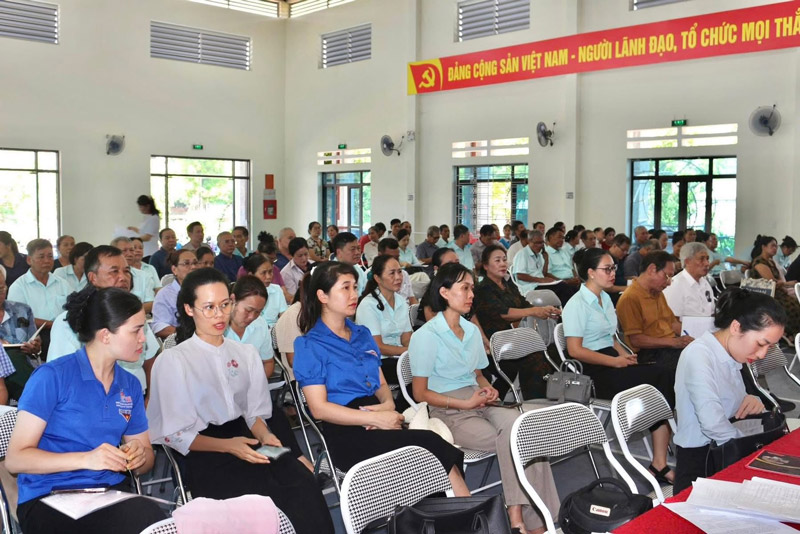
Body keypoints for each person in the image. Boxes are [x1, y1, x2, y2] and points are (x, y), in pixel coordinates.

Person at [147, 268, 334, 534]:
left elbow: (254, 414)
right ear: (189, 309)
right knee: (259, 499)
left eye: (225, 305)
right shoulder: (174, 360)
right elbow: (176, 435)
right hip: (205, 450)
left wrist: (266, 436)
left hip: (246, 438)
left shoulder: (244, 353)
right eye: (209, 307)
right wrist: (229, 446)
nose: (220, 315)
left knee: (301, 482)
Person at [292, 262, 469, 497]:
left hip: (377, 417)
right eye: (345, 288)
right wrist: (373, 417)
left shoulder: (361, 334)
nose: (354, 294)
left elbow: (383, 386)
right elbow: (319, 409)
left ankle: (452, 517)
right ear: (322, 296)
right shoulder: (309, 345)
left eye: (355, 287)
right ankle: (470, 518)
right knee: (430, 447)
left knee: (432, 455)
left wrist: (386, 407)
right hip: (346, 431)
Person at [410, 262, 559, 534]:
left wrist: (487, 388)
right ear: (444, 292)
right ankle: (523, 519)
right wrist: (465, 403)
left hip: (478, 399)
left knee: (525, 431)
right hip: (448, 408)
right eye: (464, 288)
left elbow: (477, 374)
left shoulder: (470, 332)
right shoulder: (426, 336)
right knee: (516, 441)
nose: (471, 295)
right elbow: (419, 393)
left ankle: (529, 519)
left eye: (471, 289)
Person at [6, 286, 167, 534]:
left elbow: (146, 458)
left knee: (153, 519)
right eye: (136, 330)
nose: (143, 338)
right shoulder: (52, 377)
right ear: (105, 335)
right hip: (49, 496)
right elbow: (15, 460)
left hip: (108, 492)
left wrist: (138, 456)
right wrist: (87, 458)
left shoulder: (130, 384)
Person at [562, 249, 675, 484]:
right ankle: (660, 461)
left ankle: (659, 461)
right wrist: (615, 361)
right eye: (608, 269)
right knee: (658, 378)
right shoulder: (577, 304)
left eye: (614, 268)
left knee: (661, 375)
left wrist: (626, 356)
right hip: (594, 370)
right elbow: (575, 350)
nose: (614, 273)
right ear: (591, 273)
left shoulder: (604, 299)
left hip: (613, 360)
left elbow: (611, 339)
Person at [673, 288, 786, 493]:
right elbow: (712, 422)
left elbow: (729, 403)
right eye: (761, 344)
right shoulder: (699, 355)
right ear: (736, 327)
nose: (762, 354)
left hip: (723, 448)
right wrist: (750, 451)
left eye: (769, 347)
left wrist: (749, 399)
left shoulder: (732, 354)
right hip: (702, 462)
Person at [225, 275, 315, 473]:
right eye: (248, 310)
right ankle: (288, 466)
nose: (252, 317)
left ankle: (300, 462)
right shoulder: (218, 329)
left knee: (275, 416)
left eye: (258, 312)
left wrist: (255, 382)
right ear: (232, 300)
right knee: (253, 423)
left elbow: (267, 364)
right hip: (225, 400)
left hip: (252, 393)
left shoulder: (259, 326)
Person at [48, 246, 160, 395]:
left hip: (136, 395)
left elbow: (150, 359)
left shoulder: (133, 314)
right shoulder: (70, 321)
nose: (123, 277)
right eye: (114, 271)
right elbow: (62, 373)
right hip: (91, 400)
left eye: (126, 271)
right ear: (93, 278)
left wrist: (150, 397)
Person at [474, 245, 560, 399]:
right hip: (495, 342)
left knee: (551, 352)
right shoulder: (483, 289)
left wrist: (545, 311)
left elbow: (522, 304)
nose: (503, 263)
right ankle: (533, 403)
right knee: (535, 358)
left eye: (504, 260)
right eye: (497, 260)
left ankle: (545, 398)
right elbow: (504, 314)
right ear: (486, 266)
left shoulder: (507, 284)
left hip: (513, 337)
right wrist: (534, 311)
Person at [616, 251, 693, 370]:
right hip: (649, 353)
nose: (669, 283)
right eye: (667, 276)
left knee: (700, 353)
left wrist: (694, 336)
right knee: (692, 363)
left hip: (668, 346)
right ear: (652, 269)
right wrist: (674, 342)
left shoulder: (657, 293)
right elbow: (636, 340)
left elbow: (673, 323)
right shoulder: (630, 297)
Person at [7, 239, 70, 352]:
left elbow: (73, 308)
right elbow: (20, 318)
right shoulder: (19, 287)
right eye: (41, 257)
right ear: (29, 260)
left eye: (50, 256)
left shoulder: (63, 283)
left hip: (64, 332)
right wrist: (53, 324)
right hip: (35, 335)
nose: (47, 261)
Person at [355, 255, 411, 385]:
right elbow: (378, 347)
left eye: (399, 272)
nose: (398, 277)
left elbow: (406, 338)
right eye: (392, 273)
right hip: (378, 363)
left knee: (429, 366)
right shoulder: (368, 305)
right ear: (377, 278)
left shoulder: (401, 301)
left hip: (400, 357)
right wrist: (409, 352)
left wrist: (418, 350)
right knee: (418, 373)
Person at [749, 235, 800, 339]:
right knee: (793, 307)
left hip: (776, 292)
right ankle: (789, 333)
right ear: (763, 247)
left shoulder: (771, 261)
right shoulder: (759, 262)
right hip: (765, 295)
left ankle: (792, 333)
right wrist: (787, 284)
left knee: (796, 302)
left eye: (776, 246)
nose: (775, 249)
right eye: (772, 246)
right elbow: (771, 282)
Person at [0, 266, 37, 403]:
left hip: (24, 365)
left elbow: (35, 344)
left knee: (16, 358)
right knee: (10, 356)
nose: (0, 292)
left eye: (2, 287)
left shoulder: (22, 309)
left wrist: (35, 347)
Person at [151, 249, 198, 339]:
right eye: (186, 263)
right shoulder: (165, 294)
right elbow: (160, 327)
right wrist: (189, 335)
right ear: (174, 269)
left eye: (195, 263)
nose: (193, 267)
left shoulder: (205, 290)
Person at [663, 242, 716, 319]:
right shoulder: (675, 285)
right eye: (701, 259)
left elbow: (711, 314)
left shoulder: (705, 283)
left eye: (707, 259)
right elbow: (671, 322)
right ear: (687, 262)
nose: (707, 263)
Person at [111, 237, 154, 314]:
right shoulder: (109, 276)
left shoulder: (144, 276)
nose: (129, 254)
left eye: (131, 250)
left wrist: (126, 314)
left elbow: (150, 304)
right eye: (124, 251)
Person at [244, 254, 287, 327]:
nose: (268, 277)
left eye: (270, 272)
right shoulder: (244, 294)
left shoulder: (277, 290)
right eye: (263, 273)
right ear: (251, 275)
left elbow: (284, 317)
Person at [127, 195, 161, 259]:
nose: (139, 209)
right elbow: (143, 231)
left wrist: (133, 239)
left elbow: (147, 237)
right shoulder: (147, 217)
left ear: (147, 206)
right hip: (145, 251)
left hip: (149, 252)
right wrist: (134, 229)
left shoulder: (154, 219)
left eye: (140, 207)